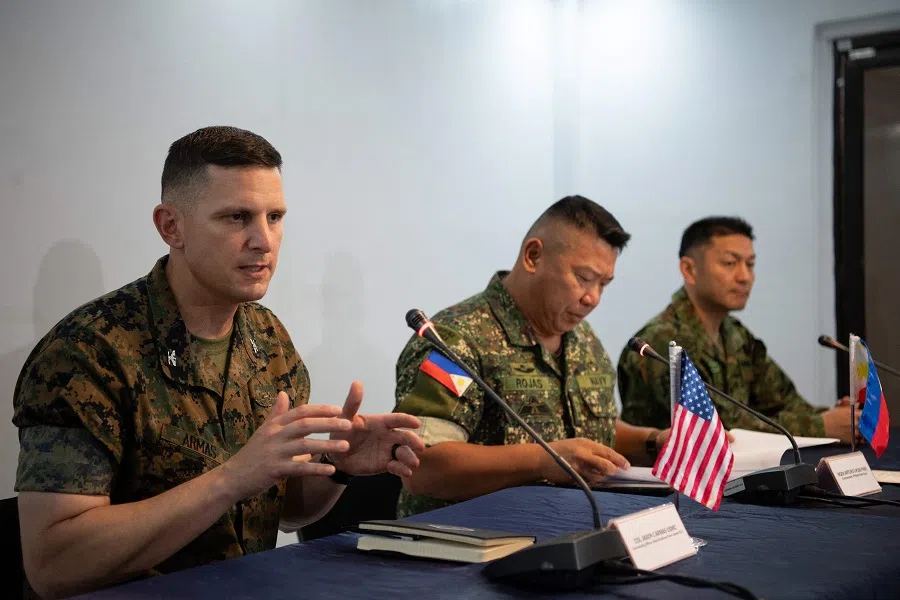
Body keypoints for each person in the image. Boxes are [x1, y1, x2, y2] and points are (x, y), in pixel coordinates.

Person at [12, 126, 425, 599]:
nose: (264, 241)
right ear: (171, 227)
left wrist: (337, 464)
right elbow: (54, 564)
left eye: (275, 217)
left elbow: (285, 510)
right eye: (236, 217)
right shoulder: (87, 354)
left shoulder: (268, 339)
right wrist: (231, 479)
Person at [393, 196, 669, 518]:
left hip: (575, 527)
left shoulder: (583, 340)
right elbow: (421, 467)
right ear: (533, 256)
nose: (593, 298)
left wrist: (652, 442)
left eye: (604, 284)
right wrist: (544, 460)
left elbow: (588, 434)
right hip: (470, 536)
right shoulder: (457, 339)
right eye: (583, 278)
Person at [618, 216, 857, 443]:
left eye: (750, 264)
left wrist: (839, 418)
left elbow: (783, 401)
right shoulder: (663, 341)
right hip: (666, 472)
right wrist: (820, 426)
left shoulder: (735, 334)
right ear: (689, 270)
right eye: (730, 264)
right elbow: (720, 427)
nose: (745, 277)